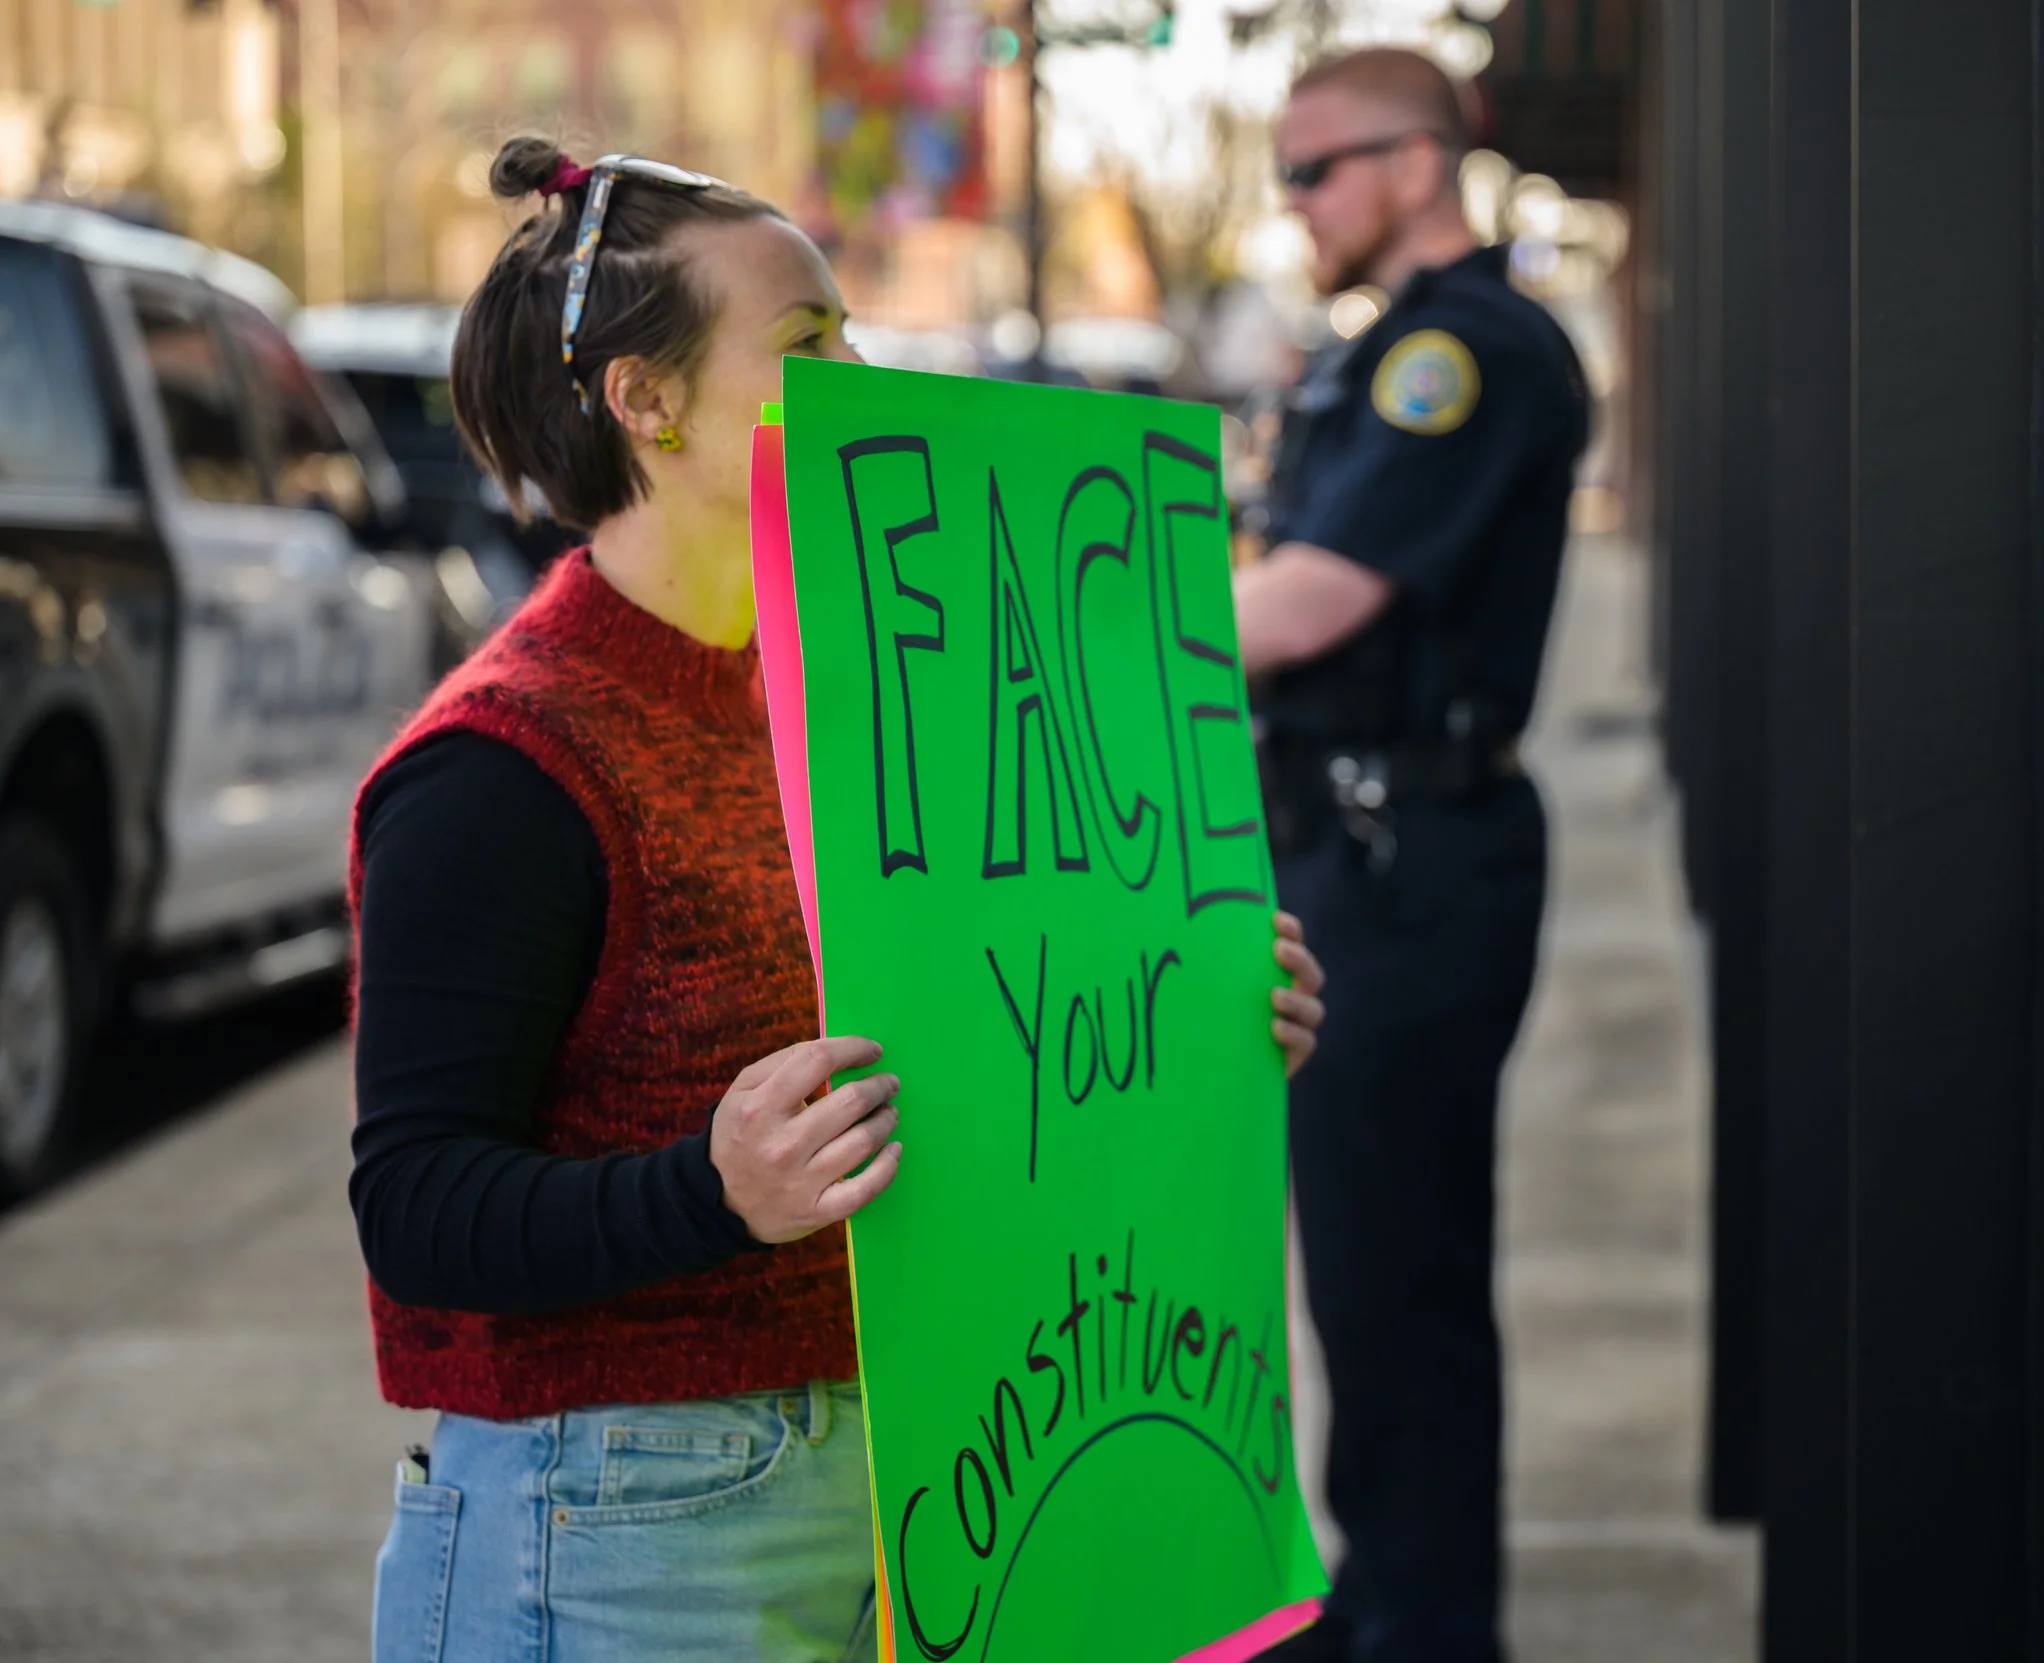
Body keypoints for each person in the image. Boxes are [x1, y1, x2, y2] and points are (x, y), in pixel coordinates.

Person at [351, 137, 1329, 1663]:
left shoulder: (868, 704)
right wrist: (713, 1188)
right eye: (810, 343)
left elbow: (989, 1032)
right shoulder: (502, 764)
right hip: (623, 1532)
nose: (865, 371)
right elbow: (414, 1210)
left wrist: (1193, 1004)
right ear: (647, 400)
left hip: (908, 1478)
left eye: (851, 329)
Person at [1235, 49, 1591, 1663]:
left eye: (1315, 170)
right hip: (1368, 844)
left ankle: (1428, 1631)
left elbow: (1309, 602)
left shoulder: (1465, 355)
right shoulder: (1394, 352)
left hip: (1407, 855)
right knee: (1374, 1268)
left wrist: (1080, 622)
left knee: (1402, 1277)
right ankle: (1383, 1597)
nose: (1295, 202)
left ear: (1417, 161)